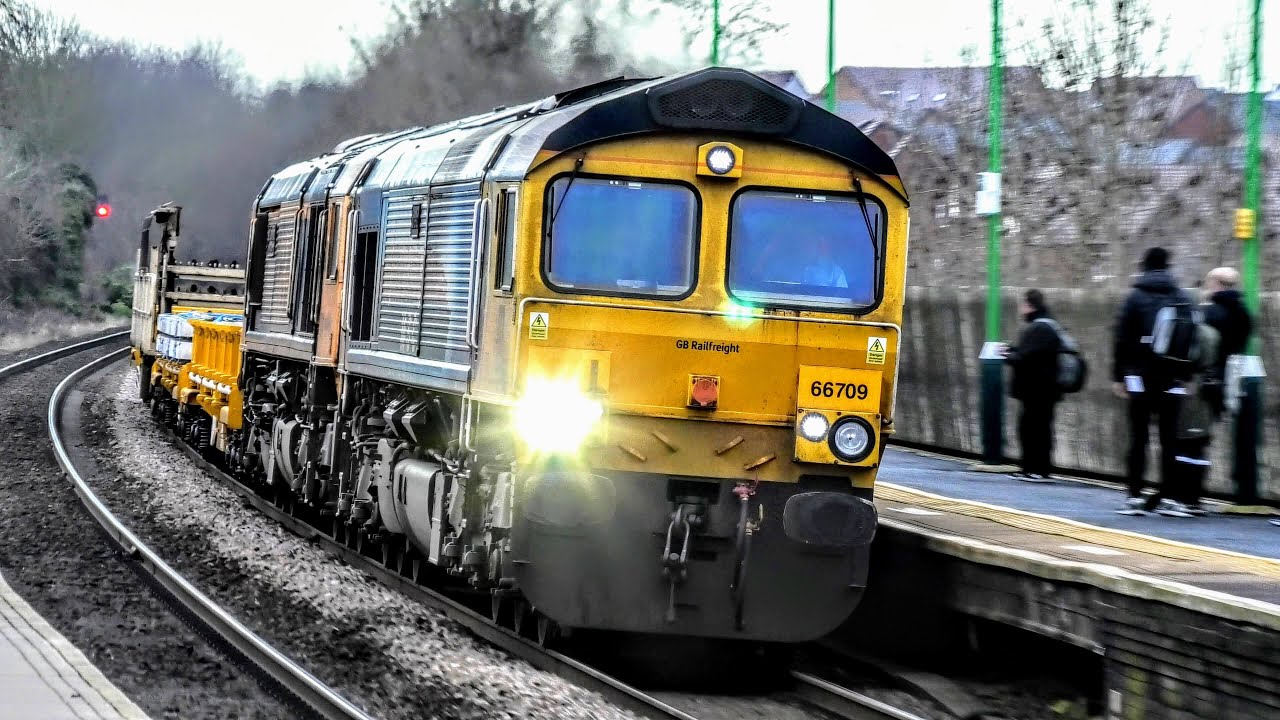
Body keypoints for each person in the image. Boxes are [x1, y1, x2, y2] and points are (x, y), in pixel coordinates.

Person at [1112, 247, 1193, 516]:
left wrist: (1119, 376)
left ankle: (1134, 495)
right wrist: (1186, 374)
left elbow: (1121, 339)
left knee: (1139, 438)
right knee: (1170, 440)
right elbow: (1195, 338)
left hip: (1141, 378)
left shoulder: (1135, 297)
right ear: (1168, 266)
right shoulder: (1183, 296)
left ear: (1144, 266)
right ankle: (1170, 498)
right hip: (1173, 378)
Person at [1003, 289, 1062, 481]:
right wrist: (1013, 350)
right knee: (1042, 429)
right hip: (1046, 389)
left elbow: (1026, 359)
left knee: (1031, 430)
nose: (1020, 308)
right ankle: (1038, 468)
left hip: (1037, 390)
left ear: (1029, 305)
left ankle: (1034, 469)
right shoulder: (1049, 325)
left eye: (1022, 304)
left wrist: (1007, 355)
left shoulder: (1038, 328)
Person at [1165, 319, 1222, 517]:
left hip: (1191, 392)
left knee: (1184, 447)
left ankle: (1183, 498)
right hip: (1207, 392)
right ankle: (1195, 498)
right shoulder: (1213, 332)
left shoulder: (1190, 331)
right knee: (1199, 449)